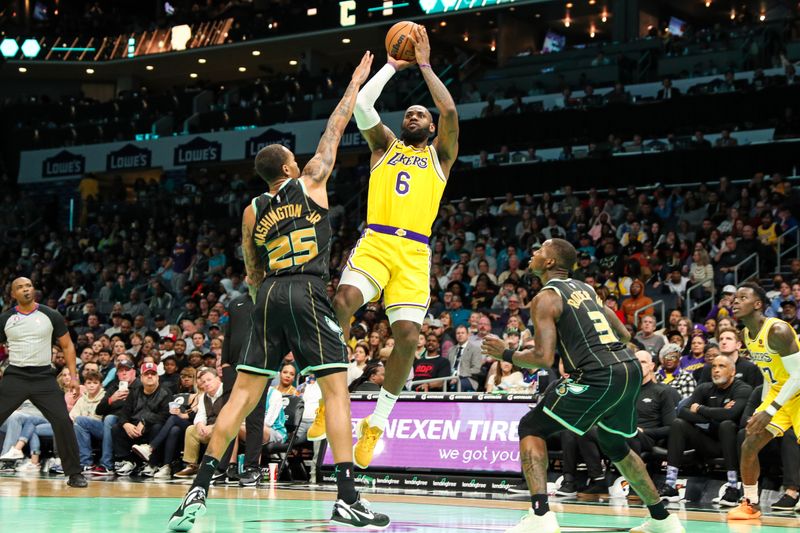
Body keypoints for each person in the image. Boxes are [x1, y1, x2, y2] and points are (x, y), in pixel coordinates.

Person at [168, 52, 389, 531]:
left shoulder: (251, 209)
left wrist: (265, 294)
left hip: (265, 295)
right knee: (336, 391)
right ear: (290, 165)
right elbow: (337, 124)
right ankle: (348, 496)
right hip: (308, 289)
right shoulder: (311, 180)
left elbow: (250, 269)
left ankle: (196, 492)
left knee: (242, 397)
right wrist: (355, 80)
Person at [481, 239, 683, 533]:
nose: (533, 254)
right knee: (614, 443)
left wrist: (506, 354)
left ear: (550, 262)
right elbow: (624, 333)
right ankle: (662, 520)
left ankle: (540, 516)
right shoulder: (586, 289)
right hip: (628, 368)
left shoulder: (545, 298)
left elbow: (543, 358)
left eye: (539, 251)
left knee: (531, 427)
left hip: (598, 373)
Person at [326, 26, 459, 470]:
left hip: (414, 254)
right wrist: (390, 66)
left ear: (433, 126)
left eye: (422, 113)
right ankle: (333, 392)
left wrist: (423, 65)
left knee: (406, 338)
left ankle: (377, 422)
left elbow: (450, 109)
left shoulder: (440, 156)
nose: (414, 115)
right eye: (410, 113)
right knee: (342, 302)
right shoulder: (384, 145)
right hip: (377, 242)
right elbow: (364, 105)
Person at [0, 277, 87, 487]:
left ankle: (74, 473)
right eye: (20, 287)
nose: (26, 289)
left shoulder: (50, 315)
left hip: (44, 378)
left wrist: (74, 377)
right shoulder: (5, 319)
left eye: (28, 285)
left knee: (63, 421)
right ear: (13, 295)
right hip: (15, 376)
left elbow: (67, 346)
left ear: (34, 289)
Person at [728, 282, 800, 520]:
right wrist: (763, 407)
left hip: (798, 391)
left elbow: (798, 376)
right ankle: (750, 504)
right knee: (749, 443)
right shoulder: (746, 334)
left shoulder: (778, 330)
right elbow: (769, 375)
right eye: (734, 298)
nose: (735, 301)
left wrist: (770, 409)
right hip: (780, 393)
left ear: (757, 304)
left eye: (742, 297)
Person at [657, 356, 751, 506]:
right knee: (678, 423)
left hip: (732, 446)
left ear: (733, 371)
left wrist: (701, 409)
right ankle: (670, 485)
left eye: (721, 366)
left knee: (727, 425)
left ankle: (733, 488)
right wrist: (714, 416)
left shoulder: (743, 389)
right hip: (708, 443)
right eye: (714, 366)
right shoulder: (704, 388)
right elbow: (682, 411)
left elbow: (731, 415)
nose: (716, 370)